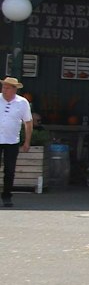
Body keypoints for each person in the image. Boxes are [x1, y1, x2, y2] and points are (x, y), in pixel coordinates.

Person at [0, 76, 32, 207]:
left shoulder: (22, 102)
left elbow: (28, 123)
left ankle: (7, 196)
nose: (4, 90)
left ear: (14, 90)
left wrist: (27, 141)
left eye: (7, 88)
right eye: (3, 87)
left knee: (9, 170)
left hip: (11, 141)